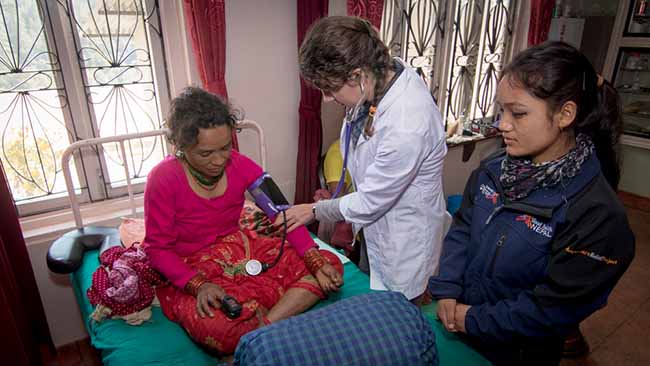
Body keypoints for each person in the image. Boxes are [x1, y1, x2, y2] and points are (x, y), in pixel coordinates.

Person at [427, 41, 635, 366]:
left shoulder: (596, 215)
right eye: (502, 109)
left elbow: (553, 309)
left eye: (518, 113)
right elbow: (464, 228)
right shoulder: (492, 171)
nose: (503, 124)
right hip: (461, 323)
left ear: (565, 114)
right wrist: (448, 289)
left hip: (519, 352)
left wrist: (472, 319)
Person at [143, 87, 343, 355]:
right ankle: (271, 324)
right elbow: (157, 249)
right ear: (181, 147)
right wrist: (198, 285)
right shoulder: (162, 179)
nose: (219, 160)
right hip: (189, 266)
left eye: (225, 147)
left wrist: (313, 259)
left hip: (239, 247)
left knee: (329, 265)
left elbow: (283, 214)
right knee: (217, 328)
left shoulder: (243, 165)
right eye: (206, 153)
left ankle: (261, 332)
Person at [280, 16, 448, 303]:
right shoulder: (380, 80)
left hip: (403, 241)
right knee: (375, 302)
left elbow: (371, 201)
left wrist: (314, 210)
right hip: (376, 230)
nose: (328, 98)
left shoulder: (407, 121)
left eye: (331, 89)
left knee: (401, 317)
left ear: (357, 75)